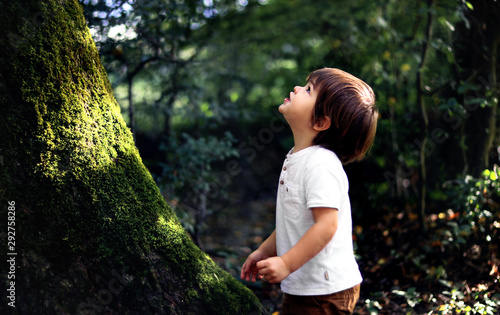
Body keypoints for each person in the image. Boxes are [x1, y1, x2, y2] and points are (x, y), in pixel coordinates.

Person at [240, 68, 378, 314]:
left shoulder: (320, 164)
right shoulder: (298, 157)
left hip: (325, 292)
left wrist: (285, 262)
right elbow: (293, 221)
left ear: (320, 122)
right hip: (306, 287)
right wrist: (264, 250)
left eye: (308, 90)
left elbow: (326, 226)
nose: (297, 88)